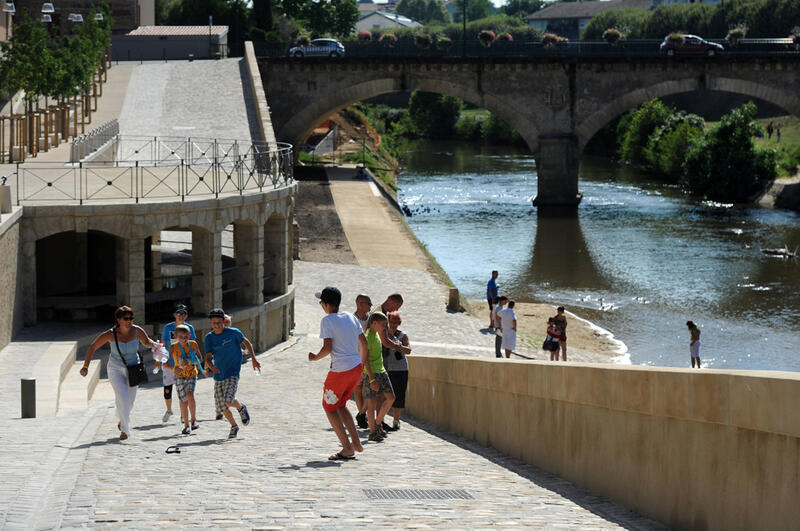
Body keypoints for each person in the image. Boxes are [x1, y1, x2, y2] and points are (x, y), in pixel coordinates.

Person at [309, 286, 370, 461]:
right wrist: (362, 364)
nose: (321, 305)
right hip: (356, 368)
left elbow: (327, 348)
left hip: (340, 370)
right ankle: (357, 444)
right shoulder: (351, 317)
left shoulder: (327, 321)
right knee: (341, 405)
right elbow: (364, 343)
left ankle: (347, 448)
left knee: (329, 407)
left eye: (321, 302)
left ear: (326, 304)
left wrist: (314, 358)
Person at [79, 306, 158, 440]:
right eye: (126, 318)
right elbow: (93, 347)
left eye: (131, 318)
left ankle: (122, 418)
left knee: (130, 402)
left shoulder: (137, 331)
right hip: (115, 368)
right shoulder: (110, 334)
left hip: (133, 368)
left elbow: (146, 342)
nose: (129, 321)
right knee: (123, 398)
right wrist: (85, 366)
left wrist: (156, 345)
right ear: (118, 319)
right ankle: (125, 430)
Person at [204, 308, 260, 439]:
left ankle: (241, 408)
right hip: (218, 375)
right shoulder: (209, 338)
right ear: (211, 323)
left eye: (219, 322)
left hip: (233, 372)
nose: (217, 325)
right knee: (222, 406)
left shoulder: (233, 333)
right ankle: (234, 426)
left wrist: (254, 360)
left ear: (224, 321)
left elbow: (246, 342)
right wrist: (211, 366)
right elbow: (207, 357)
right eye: (214, 323)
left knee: (228, 400)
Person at [363, 312, 407, 441]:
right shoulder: (367, 337)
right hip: (372, 373)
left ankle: (377, 423)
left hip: (381, 371)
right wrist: (371, 379)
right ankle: (372, 432)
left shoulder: (377, 334)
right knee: (371, 404)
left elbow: (387, 343)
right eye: (383, 324)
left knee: (391, 398)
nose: (385, 327)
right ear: (374, 323)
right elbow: (365, 360)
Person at [159, 304, 196, 423]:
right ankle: (169, 410)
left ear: (187, 315)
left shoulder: (190, 328)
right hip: (170, 363)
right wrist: (160, 360)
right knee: (168, 389)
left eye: (183, 313)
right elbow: (163, 344)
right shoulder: (168, 327)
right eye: (179, 313)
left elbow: (193, 345)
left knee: (184, 391)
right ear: (174, 315)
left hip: (184, 364)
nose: (181, 316)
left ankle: (183, 414)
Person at [170, 324, 207, 434]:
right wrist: (174, 368)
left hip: (191, 374)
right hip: (179, 376)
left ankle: (193, 420)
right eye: (181, 337)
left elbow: (200, 359)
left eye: (186, 336)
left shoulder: (193, 344)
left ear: (189, 336)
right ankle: (186, 425)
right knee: (183, 401)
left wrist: (190, 362)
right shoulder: (173, 347)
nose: (184, 339)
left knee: (190, 394)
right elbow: (166, 362)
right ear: (176, 336)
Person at [383, 311, 411, 431]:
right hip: (386, 367)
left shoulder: (402, 335)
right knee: (384, 395)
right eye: (391, 322)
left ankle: (396, 420)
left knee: (399, 395)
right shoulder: (384, 334)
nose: (393, 324)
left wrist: (398, 346)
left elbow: (408, 350)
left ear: (399, 323)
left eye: (396, 322)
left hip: (400, 369)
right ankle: (381, 420)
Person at [352, 294, 372, 430]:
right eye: (368, 303)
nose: (370, 306)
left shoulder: (371, 319)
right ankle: (362, 416)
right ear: (359, 303)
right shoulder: (351, 320)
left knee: (370, 389)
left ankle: (362, 414)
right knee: (358, 389)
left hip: (370, 358)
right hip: (356, 359)